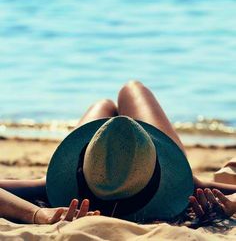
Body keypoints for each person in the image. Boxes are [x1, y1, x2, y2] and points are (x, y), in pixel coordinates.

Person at [1, 81, 235, 222]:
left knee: (102, 106)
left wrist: (36, 213)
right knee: (132, 88)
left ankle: (109, 125)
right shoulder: (188, 189)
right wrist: (229, 203)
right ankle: (121, 131)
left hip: (82, 186)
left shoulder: (50, 189)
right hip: (149, 181)